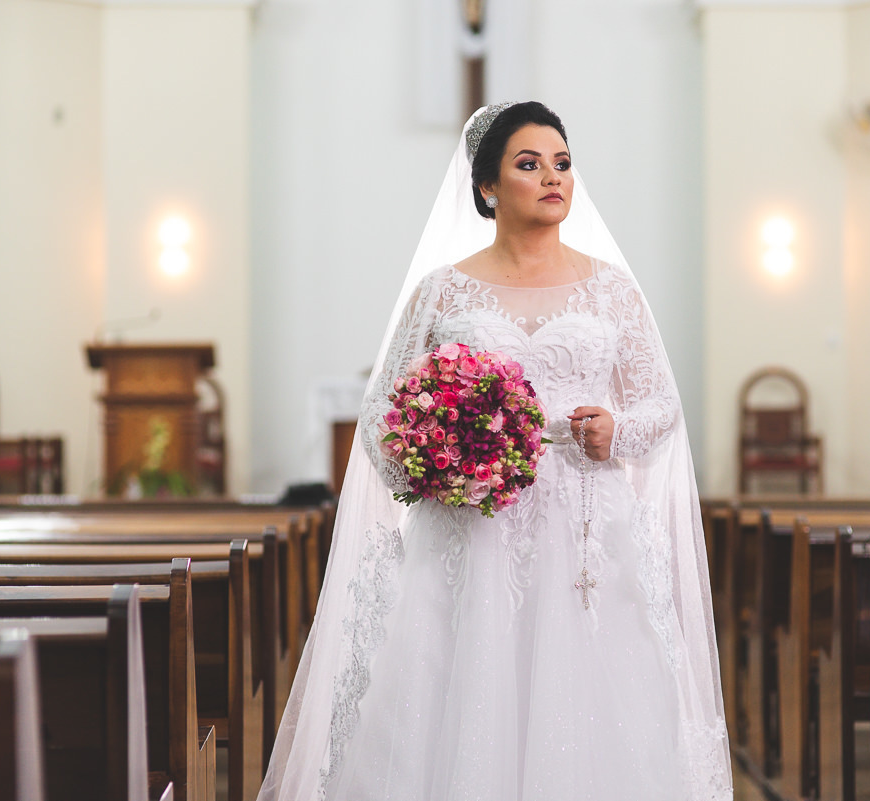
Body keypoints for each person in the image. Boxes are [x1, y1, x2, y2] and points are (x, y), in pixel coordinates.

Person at [257, 101, 733, 801]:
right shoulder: (442, 292)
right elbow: (381, 414)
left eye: (562, 163)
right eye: (529, 164)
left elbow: (661, 406)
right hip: (468, 530)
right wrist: (436, 458)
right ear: (486, 187)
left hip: (583, 534)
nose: (553, 177)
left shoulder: (611, 290)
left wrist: (617, 431)